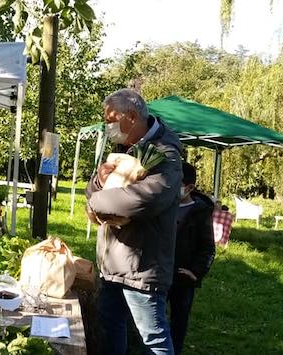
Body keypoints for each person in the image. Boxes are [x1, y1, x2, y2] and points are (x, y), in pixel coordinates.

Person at [85, 88, 182, 355]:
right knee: (110, 328)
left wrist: (95, 202)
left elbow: (146, 199)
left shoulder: (166, 152)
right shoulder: (124, 146)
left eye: (110, 120)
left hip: (141, 264)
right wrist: (99, 182)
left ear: (130, 116)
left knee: (153, 339)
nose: (108, 127)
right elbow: (95, 187)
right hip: (113, 261)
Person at [169, 162, 215, 354]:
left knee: (179, 319)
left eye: (176, 183)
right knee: (154, 317)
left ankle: (174, 350)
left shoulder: (200, 212)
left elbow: (208, 247)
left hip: (182, 277)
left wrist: (195, 272)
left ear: (189, 187)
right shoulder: (165, 205)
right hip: (159, 271)